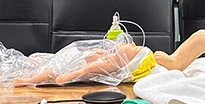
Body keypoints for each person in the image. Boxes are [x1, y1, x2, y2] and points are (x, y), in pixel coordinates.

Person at [15, 40, 156, 86]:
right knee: (39, 60)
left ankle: (27, 81)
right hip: (72, 57)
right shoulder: (111, 57)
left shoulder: (110, 65)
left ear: (128, 61)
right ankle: (26, 72)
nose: (132, 43)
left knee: (48, 72)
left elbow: (86, 70)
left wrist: (68, 77)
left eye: (135, 48)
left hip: (72, 63)